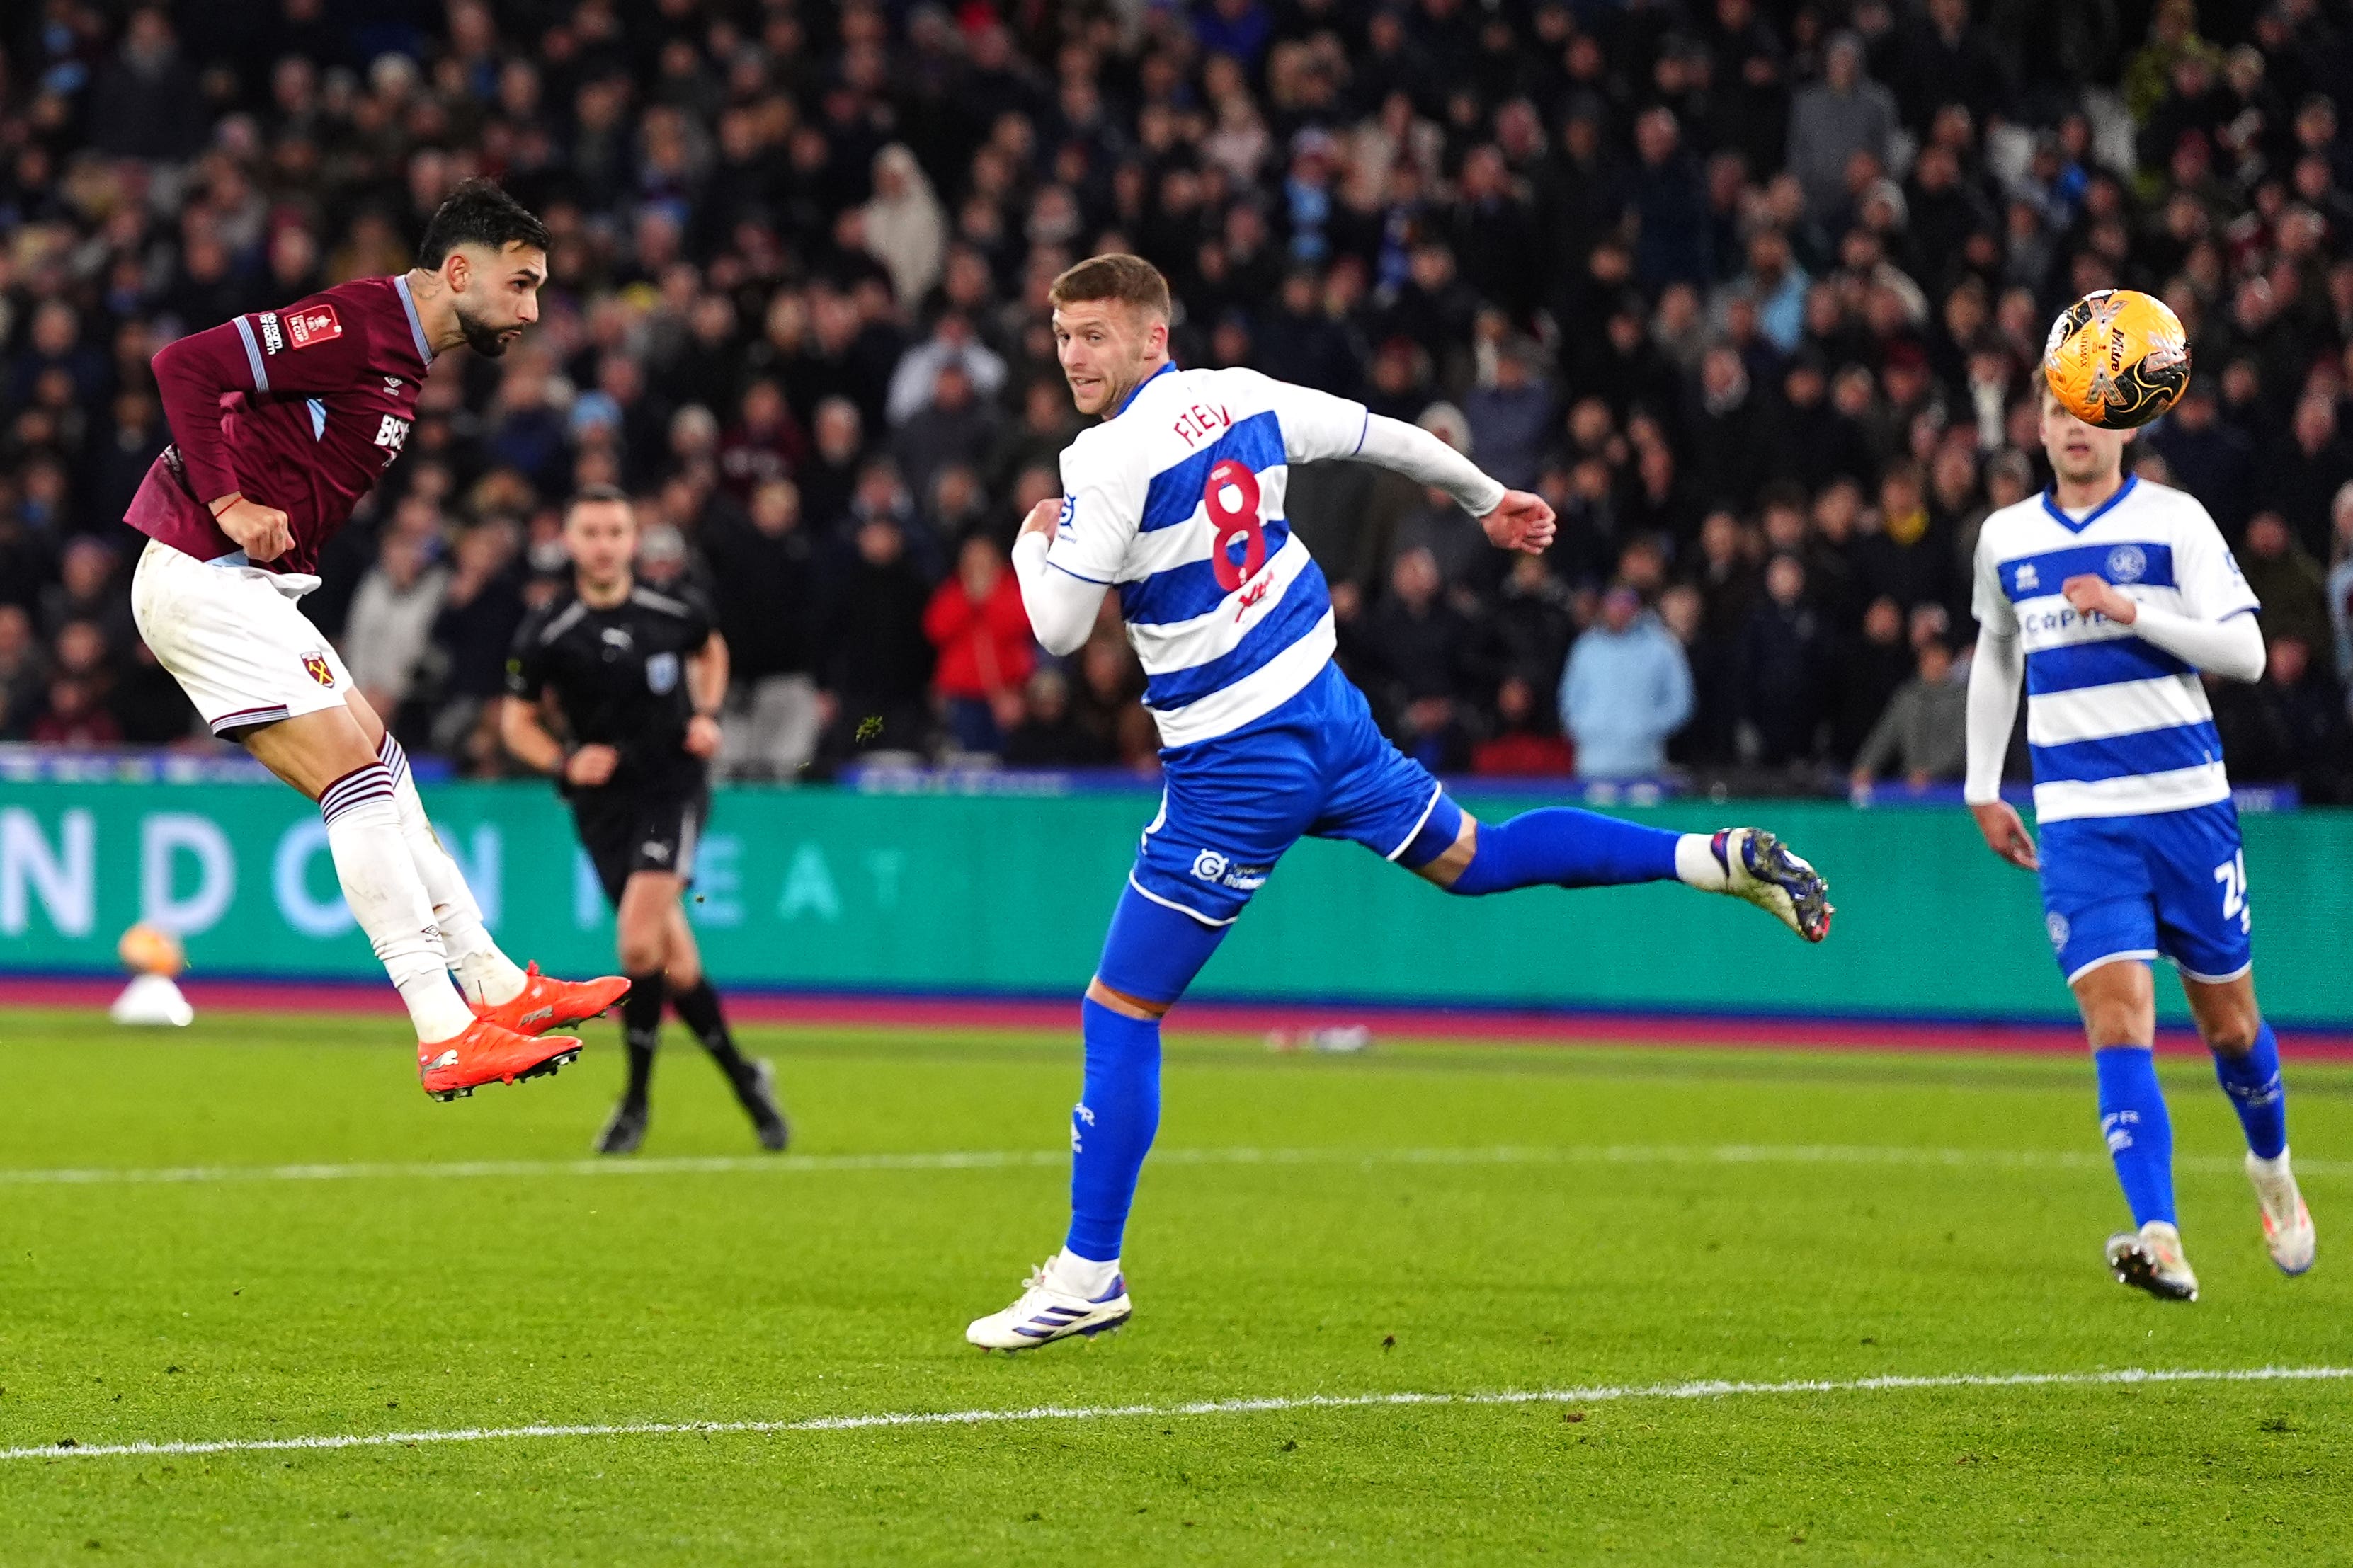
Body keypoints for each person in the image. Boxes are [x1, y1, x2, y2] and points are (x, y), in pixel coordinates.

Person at [967, 255, 1833, 1352]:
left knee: (1120, 1006)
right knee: (1476, 854)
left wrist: (1029, 539)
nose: (1074, 356)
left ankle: (1089, 1270)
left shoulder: (1103, 456)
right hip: (1326, 714)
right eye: (1061, 335)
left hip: (1238, 759)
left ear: (1151, 338)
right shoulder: (1241, 394)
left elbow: (1051, 630)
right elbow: (1385, 435)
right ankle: (1704, 857)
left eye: (1094, 334)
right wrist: (1489, 498)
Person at [121, 178, 624, 1102]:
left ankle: (498, 985)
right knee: (353, 776)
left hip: (255, 588)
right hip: (201, 573)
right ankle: (441, 1029)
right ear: (459, 271)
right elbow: (185, 362)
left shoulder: (404, 355)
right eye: (520, 285)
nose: (532, 309)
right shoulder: (358, 321)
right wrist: (229, 499)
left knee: (385, 768)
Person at [1964, 380, 2315, 1303]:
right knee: (2114, 1020)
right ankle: (2158, 1234)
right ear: (2036, 427)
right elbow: (1996, 653)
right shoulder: (2005, 537)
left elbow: (2241, 652)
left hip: (2185, 806)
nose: (2074, 426)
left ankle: (2268, 1166)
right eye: (2057, 411)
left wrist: (2131, 611)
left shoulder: (2174, 520)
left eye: (2091, 411)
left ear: (2121, 426)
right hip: (2078, 818)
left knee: (2228, 1027)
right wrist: (1978, 782)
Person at [501, 488, 788, 1156]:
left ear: (633, 540)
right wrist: (566, 761)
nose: (603, 544)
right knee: (677, 965)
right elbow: (515, 720)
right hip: (602, 808)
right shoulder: (547, 629)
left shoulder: (672, 608)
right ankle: (748, 1082)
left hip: (671, 788)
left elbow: (711, 649)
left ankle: (633, 1104)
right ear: (570, 541)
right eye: (590, 531)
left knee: (635, 945)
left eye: (615, 531)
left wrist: (707, 715)